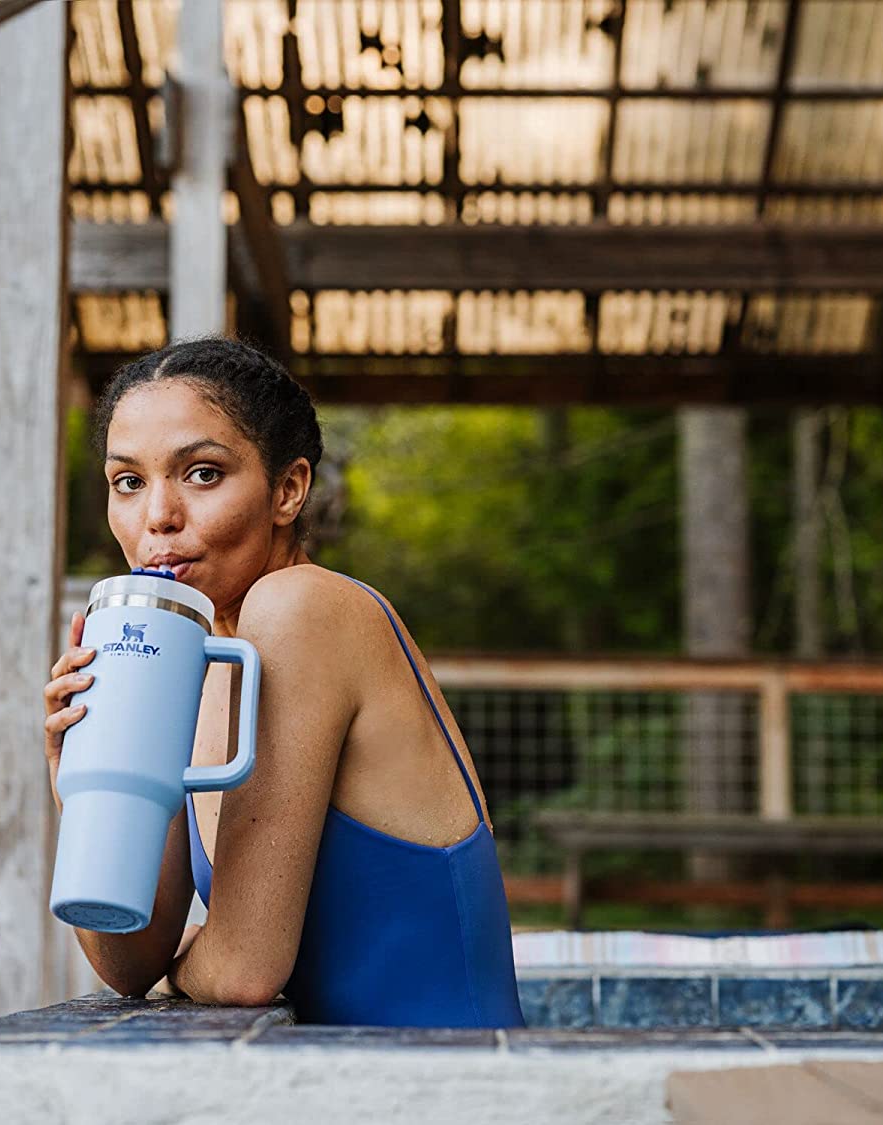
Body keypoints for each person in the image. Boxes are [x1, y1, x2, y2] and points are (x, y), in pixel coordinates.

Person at [42, 336, 524, 1028]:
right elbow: (127, 959)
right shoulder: (194, 668)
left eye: (202, 473)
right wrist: (87, 787)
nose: (158, 516)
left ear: (288, 490)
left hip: (466, 1088)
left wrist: (187, 961)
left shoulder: (303, 607)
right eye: (129, 481)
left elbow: (241, 971)